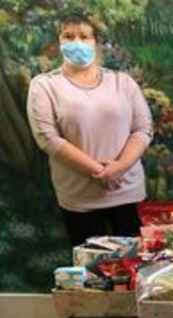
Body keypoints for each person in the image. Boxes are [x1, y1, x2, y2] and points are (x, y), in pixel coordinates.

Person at [27, 13, 153, 247]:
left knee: (135, 268)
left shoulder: (123, 82)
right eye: (69, 36)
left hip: (128, 192)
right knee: (90, 274)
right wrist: (99, 171)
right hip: (79, 197)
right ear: (59, 42)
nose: (77, 42)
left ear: (96, 42)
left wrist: (119, 167)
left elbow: (143, 129)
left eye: (84, 36)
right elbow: (48, 139)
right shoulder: (44, 85)